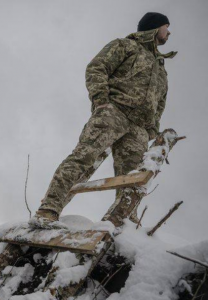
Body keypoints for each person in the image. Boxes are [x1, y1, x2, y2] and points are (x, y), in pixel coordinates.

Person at [30, 12, 177, 228]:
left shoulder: (161, 69)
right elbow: (97, 67)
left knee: (133, 179)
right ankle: (49, 210)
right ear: (155, 28)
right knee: (83, 158)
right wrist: (101, 101)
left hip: (139, 128)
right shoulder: (125, 46)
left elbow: (161, 103)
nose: (169, 32)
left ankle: (123, 224)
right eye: (166, 26)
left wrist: (152, 130)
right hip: (113, 113)